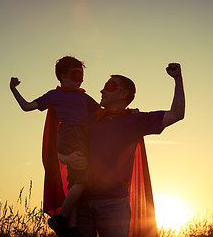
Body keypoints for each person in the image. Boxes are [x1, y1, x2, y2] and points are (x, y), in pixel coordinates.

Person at [58, 63, 185, 237]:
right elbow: (61, 143)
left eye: (109, 87)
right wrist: (66, 158)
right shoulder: (87, 119)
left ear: (123, 94)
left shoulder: (135, 120)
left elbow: (177, 114)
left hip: (114, 204)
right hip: (81, 202)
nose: (102, 91)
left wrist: (177, 79)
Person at [10, 56, 100, 237]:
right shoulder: (55, 95)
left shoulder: (84, 97)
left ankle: (72, 227)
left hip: (82, 137)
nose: (80, 79)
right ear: (62, 76)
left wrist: (127, 112)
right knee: (83, 179)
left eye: (82, 75)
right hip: (70, 136)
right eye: (76, 75)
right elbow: (27, 107)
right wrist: (13, 89)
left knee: (76, 181)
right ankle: (61, 218)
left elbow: (103, 114)